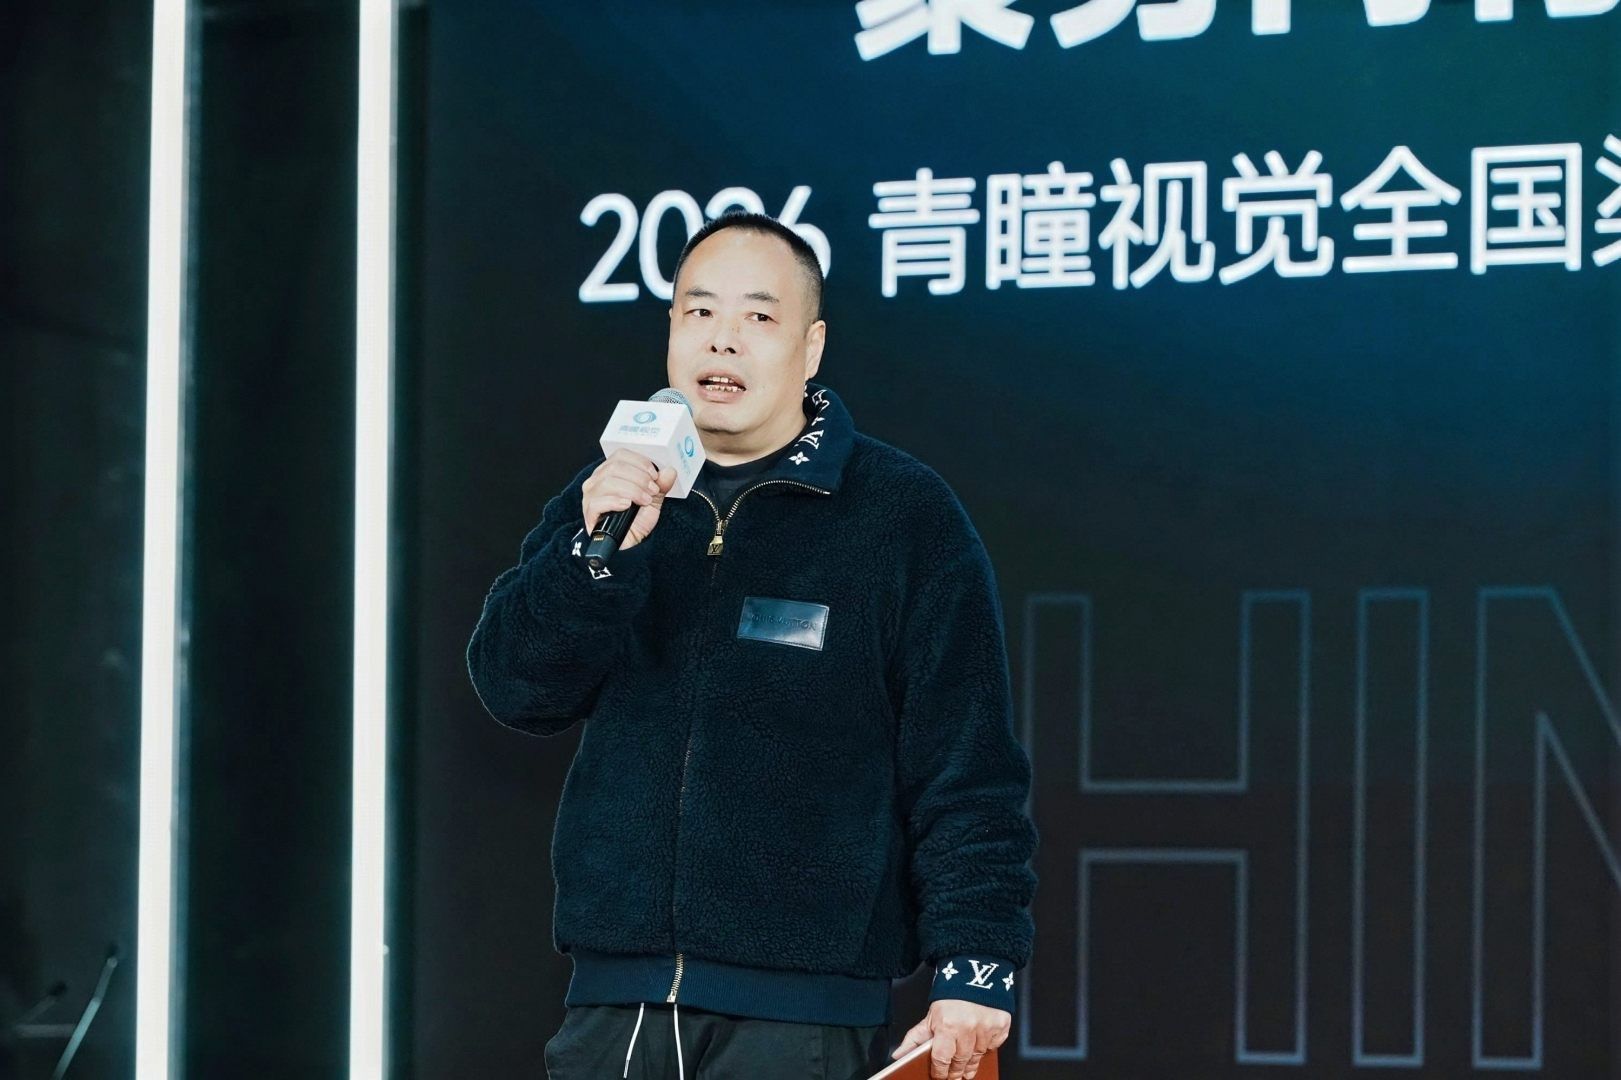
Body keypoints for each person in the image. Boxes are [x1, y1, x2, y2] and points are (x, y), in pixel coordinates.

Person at [466, 211, 1037, 1080]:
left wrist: (975, 960)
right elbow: (516, 688)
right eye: (699, 312)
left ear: (811, 348)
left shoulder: (901, 514)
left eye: (757, 316)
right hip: (615, 1005)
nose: (721, 339)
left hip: (799, 1016)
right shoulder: (613, 493)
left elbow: (967, 764)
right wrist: (595, 558)